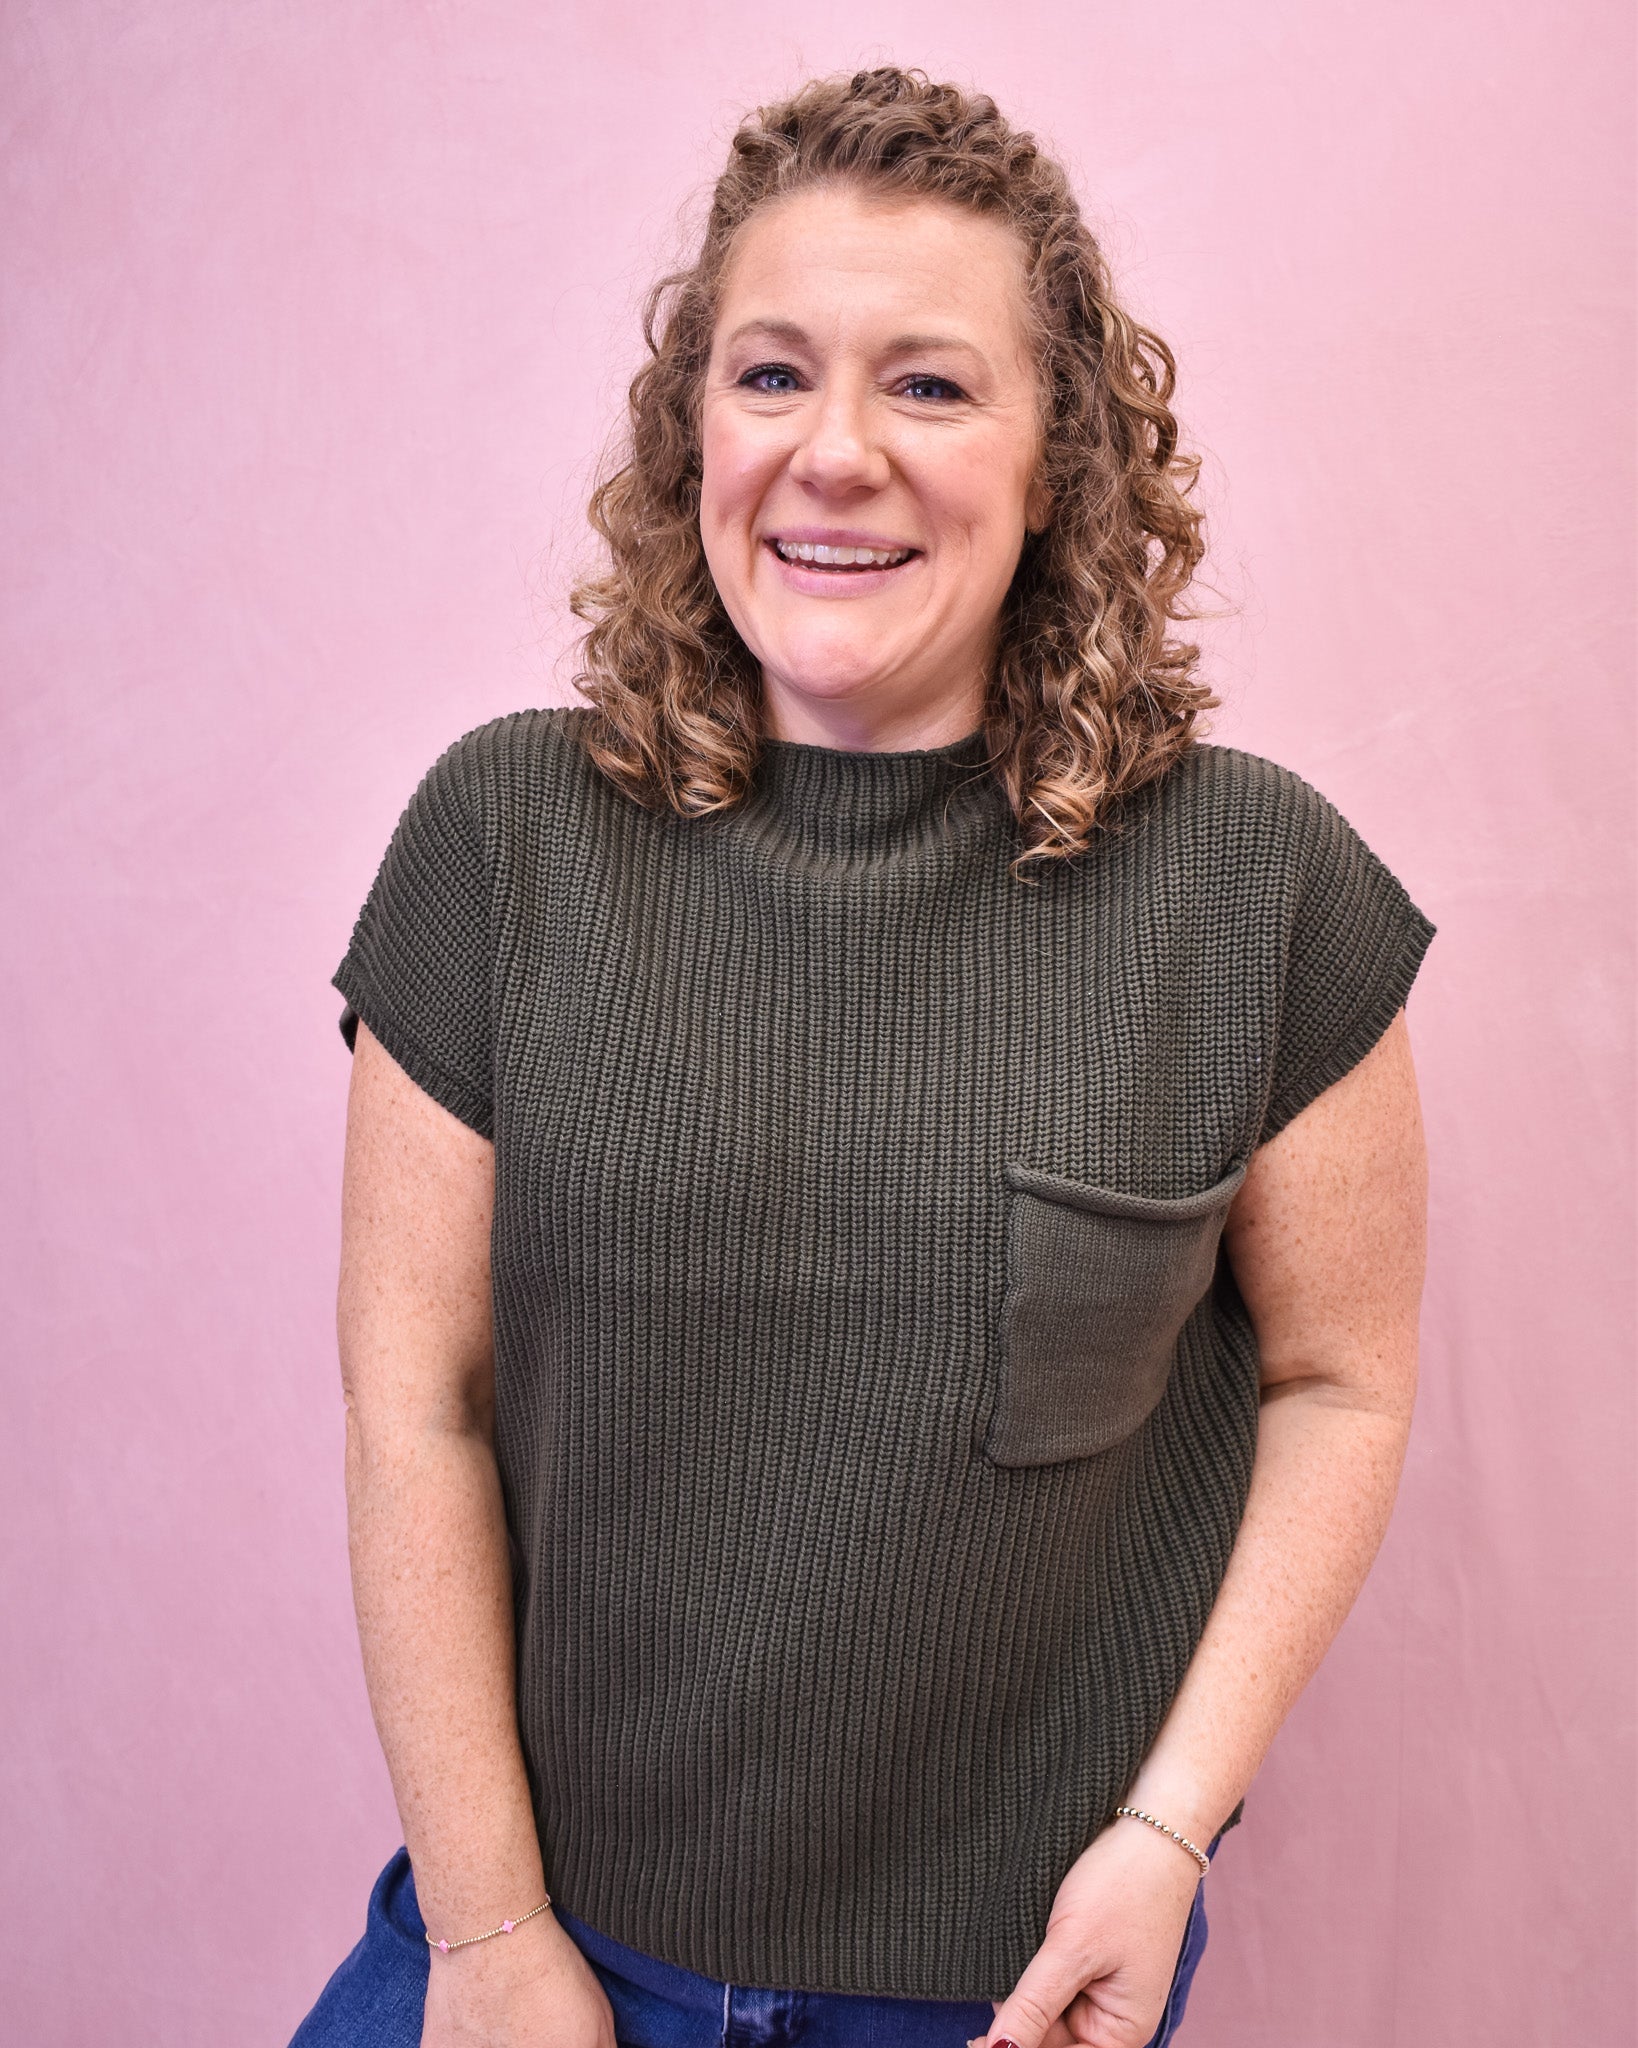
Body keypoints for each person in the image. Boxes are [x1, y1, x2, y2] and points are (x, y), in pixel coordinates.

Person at [291, 66, 1435, 2048]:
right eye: (771, 376)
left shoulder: (1259, 888)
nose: (836, 453)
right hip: (538, 1945)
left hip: (1005, 1987)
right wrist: (484, 1933)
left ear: (1058, 462)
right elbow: (420, 1405)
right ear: (694, 433)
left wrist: (1166, 1833)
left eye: (928, 385)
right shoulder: (501, 840)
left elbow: (1339, 1381)